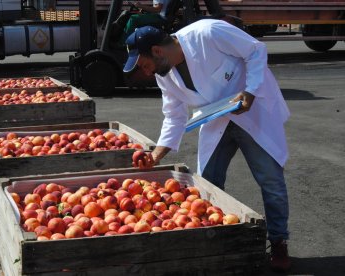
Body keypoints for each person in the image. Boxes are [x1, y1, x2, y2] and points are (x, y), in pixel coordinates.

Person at [124, 21, 291, 272]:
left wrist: (251, 91)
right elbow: (174, 115)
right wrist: (156, 154)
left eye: (144, 65)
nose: (146, 72)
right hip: (216, 120)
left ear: (157, 51)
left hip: (253, 112)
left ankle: (278, 241)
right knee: (208, 185)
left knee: (270, 179)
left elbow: (255, 50)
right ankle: (215, 243)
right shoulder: (165, 75)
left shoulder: (207, 33)